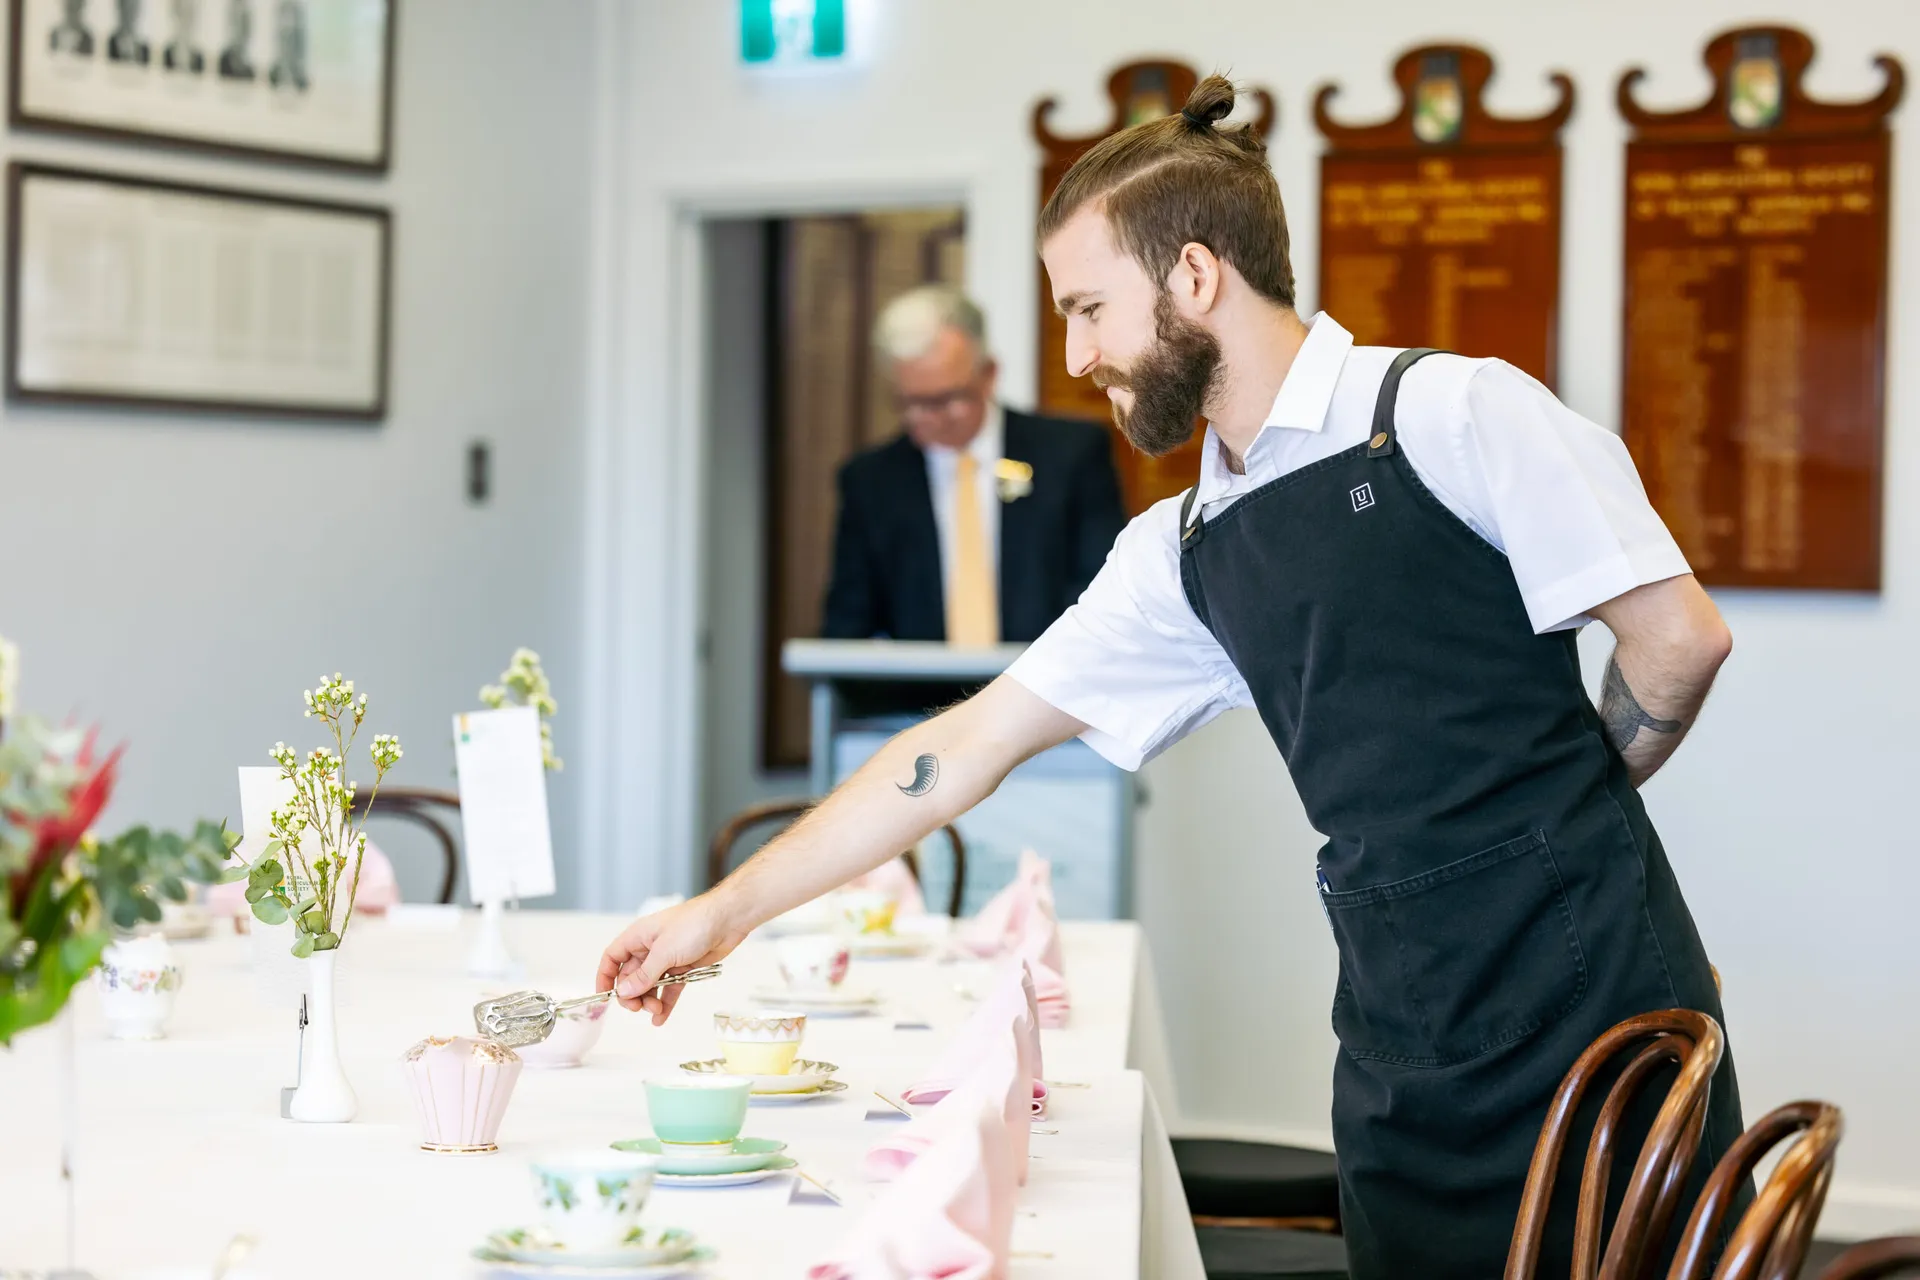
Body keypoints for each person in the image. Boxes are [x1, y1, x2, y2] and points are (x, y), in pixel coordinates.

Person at [598, 75, 1745, 1279]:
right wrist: (719, 911)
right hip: (1400, 1042)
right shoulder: (1180, 549)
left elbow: (1681, 637)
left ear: (1196, 277)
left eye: (1090, 309)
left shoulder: (1457, 412)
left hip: (1599, 1017)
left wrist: (1561, 821)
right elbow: (962, 748)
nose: (1077, 355)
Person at [820, 285, 1123, 716]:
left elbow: (1099, 595)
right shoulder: (870, 482)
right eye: (911, 402)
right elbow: (846, 629)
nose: (926, 418)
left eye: (945, 399)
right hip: (917, 722)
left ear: (988, 374)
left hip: (1052, 714)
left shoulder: (1069, 455)